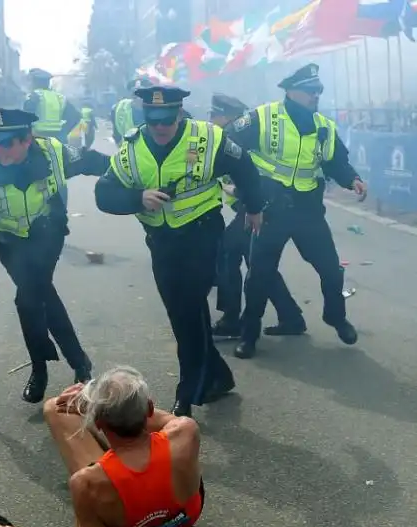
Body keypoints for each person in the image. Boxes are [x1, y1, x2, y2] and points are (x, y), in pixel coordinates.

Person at [95, 85, 264, 417]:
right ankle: (218, 376)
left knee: (188, 311)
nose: (160, 127)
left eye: (167, 120)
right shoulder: (131, 148)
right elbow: (104, 194)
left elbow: (245, 169)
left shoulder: (208, 139)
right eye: (153, 120)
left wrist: (255, 207)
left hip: (203, 235)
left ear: (179, 113)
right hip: (162, 242)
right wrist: (137, 198)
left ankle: (187, 393)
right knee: (183, 315)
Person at [0, 366, 203, 527]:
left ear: (97, 422)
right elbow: (162, 419)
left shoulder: (87, 483)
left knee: (56, 407)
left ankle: (113, 434)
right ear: (148, 408)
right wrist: (107, 402)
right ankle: (121, 422)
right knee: (146, 441)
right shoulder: (186, 430)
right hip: (186, 516)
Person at [0, 108, 110, 403]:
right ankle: (79, 365)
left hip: (45, 234)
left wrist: (125, 173)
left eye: (7, 142)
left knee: (29, 297)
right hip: (9, 242)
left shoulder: (54, 153)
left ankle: (42, 369)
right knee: (39, 295)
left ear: (27, 140)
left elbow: (92, 161)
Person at [228, 64, 367, 359]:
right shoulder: (263, 117)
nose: (315, 95)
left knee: (331, 269)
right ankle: (249, 335)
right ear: (290, 91)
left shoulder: (323, 127)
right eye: (309, 91)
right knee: (259, 275)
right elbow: (230, 146)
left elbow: (335, 161)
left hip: (307, 211)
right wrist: (244, 187)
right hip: (270, 208)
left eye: (318, 91)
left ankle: (336, 317)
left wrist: (352, 179)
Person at [210, 93, 306, 339]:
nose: (213, 119)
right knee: (258, 264)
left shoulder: (239, 140)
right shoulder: (226, 137)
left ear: (229, 117)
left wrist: (242, 196)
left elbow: (250, 178)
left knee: (229, 253)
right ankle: (291, 316)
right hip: (250, 208)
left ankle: (232, 319)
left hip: (256, 209)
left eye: (216, 115)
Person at [23, 68, 81, 144]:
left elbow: (25, 120)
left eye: (30, 81)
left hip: (37, 139)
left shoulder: (34, 96)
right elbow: (76, 116)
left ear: (34, 82)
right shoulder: (60, 98)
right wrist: (63, 131)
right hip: (58, 139)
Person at [110, 77, 152, 145]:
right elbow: (116, 135)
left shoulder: (156, 110)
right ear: (130, 94)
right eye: (135, 94)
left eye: (143, 94)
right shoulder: (119, 108)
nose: (139, 98)